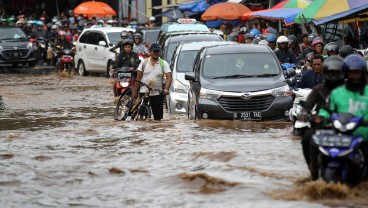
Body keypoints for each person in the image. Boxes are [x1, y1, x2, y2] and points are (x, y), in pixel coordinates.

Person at [317, 54, 368, 178]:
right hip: (341, 137)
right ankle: (315, 174)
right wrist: (321, 117)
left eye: (357, 73)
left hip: (364, 138)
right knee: (316, 146)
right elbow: (327, 110)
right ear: (346, 74)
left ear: (363, 74)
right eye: (351, 73)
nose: (354, 76)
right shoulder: (336, 93)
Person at [301, 56, 345, 179]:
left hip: (346, 126)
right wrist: (305, 114)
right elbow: (308, 105)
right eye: (330, 73)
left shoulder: (348, 89)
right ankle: (313, 169)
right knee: (307, 138)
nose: (333, 76)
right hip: (323, 125)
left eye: (336, 73)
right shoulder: (318, 90)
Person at [132, 43, 172, 121]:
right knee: (142, 116)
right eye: (155, 51)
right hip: (144, 91)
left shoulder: (163, 63)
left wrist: (166, 88)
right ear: (150, 52)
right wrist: (135, 91)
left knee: (158, 119)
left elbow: (169, 77)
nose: (156, 53)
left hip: (157, 92)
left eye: (158, 51)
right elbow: (138, 78)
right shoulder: (144, 63)